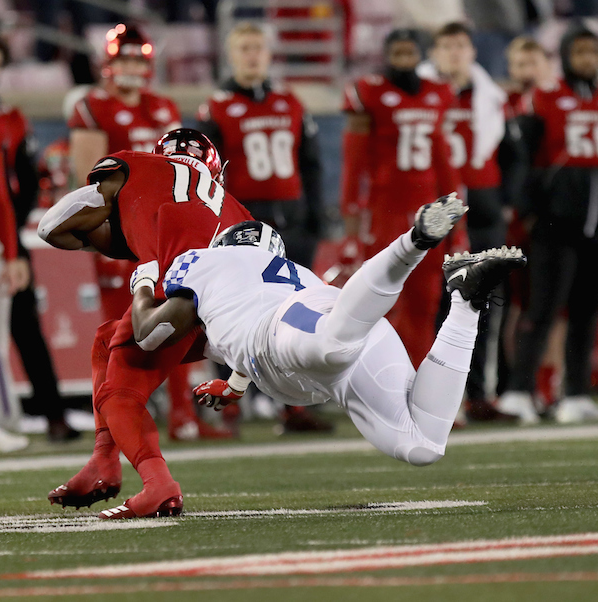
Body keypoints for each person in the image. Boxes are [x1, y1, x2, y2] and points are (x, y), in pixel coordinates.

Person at [122, 203, 524, 499]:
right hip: (342, 327)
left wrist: (142, 280)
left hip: (298, 330)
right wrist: (235, 384)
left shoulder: (206, 261)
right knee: (422, 446)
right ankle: (466, 303)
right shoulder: (288, 274)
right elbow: (234, 326)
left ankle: (413, 243)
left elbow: (149, 334)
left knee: (332, 348)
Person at [38, 129, 252, 518]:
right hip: (230, 319)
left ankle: (159, 484)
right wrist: (240, 376)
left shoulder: (136, 166)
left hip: (178, 300)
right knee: (106, 340)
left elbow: (52, 226)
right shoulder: (238, 210)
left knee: (119, 390)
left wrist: (114, 232)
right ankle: (103, 460)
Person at [67, 24, 224, 441]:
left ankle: (182, 418)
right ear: (109, 63)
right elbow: (88, 187)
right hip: (122, 234)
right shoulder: (92, 107)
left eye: (139, 59)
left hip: (161, 233)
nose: (133, 67)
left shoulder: (162, 107)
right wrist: (105, 236)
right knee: (119, 337)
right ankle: (113, 429)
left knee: (172, 322)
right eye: (125, 59)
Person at [497, 23, 598, 424]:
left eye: (592, 52)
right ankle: (518, 391)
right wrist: (528, 209)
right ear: (565, 56)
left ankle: (576, 393)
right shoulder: (543, 98)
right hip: (555, 224)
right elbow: (522, 159)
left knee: (587, 311)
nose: (587, 60)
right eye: (579, 52)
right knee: (542, 309)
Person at [195, 22, 332, 434]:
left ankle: (292, 405)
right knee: (236, 316)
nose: (253, 55)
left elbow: (311, 165)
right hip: (243, 225)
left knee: (297, 314)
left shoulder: (290, 103)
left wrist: (316, 213)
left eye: (258, 48)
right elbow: (206, 175)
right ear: (232, 55)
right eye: (245, 48)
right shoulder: (215, 108)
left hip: (291, 218)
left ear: (269, 54)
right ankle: (230, 404)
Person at [0, 32, 80, 443]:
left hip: (2, 232)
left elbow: (23, 185)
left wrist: (10, 242)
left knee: (26, 328)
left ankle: (55, 414)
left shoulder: (10, 118)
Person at [340, 29, 460, 367]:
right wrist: (351, 225)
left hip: (428, 212)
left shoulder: (438, 93)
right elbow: (353, 166)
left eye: (410, 54)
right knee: (384, 304)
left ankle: (419, 382)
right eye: (398, 54)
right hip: (384, 211)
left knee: (425, 303)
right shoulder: (369, 92)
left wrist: (454, 216)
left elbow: (444, 164)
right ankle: (383, 383)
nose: (404, 61)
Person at [419, 22, 516, 421]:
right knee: (435, 310)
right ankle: (436, 400)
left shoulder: (490, 96)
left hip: (482, 214)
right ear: (436, 53)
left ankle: (478, 395)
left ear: (472, 51)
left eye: (461, 45)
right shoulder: (422, 95)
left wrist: (505, 201)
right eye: (447, 46)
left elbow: (512, 155)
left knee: (482, 309)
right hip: (436, 216)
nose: (455, 53)